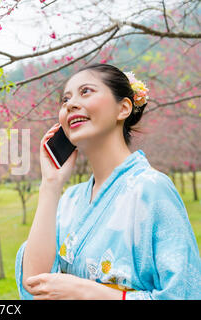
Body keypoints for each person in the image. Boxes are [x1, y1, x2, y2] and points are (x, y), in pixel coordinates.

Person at [15, 63, 201, 300]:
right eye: (65, 99)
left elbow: (185, 294)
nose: (70, 104)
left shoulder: (152, 188)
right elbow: (35, 283)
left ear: (123, 108)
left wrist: (84, 292)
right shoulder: (70, 200)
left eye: (86, 92)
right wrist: (50, 184)